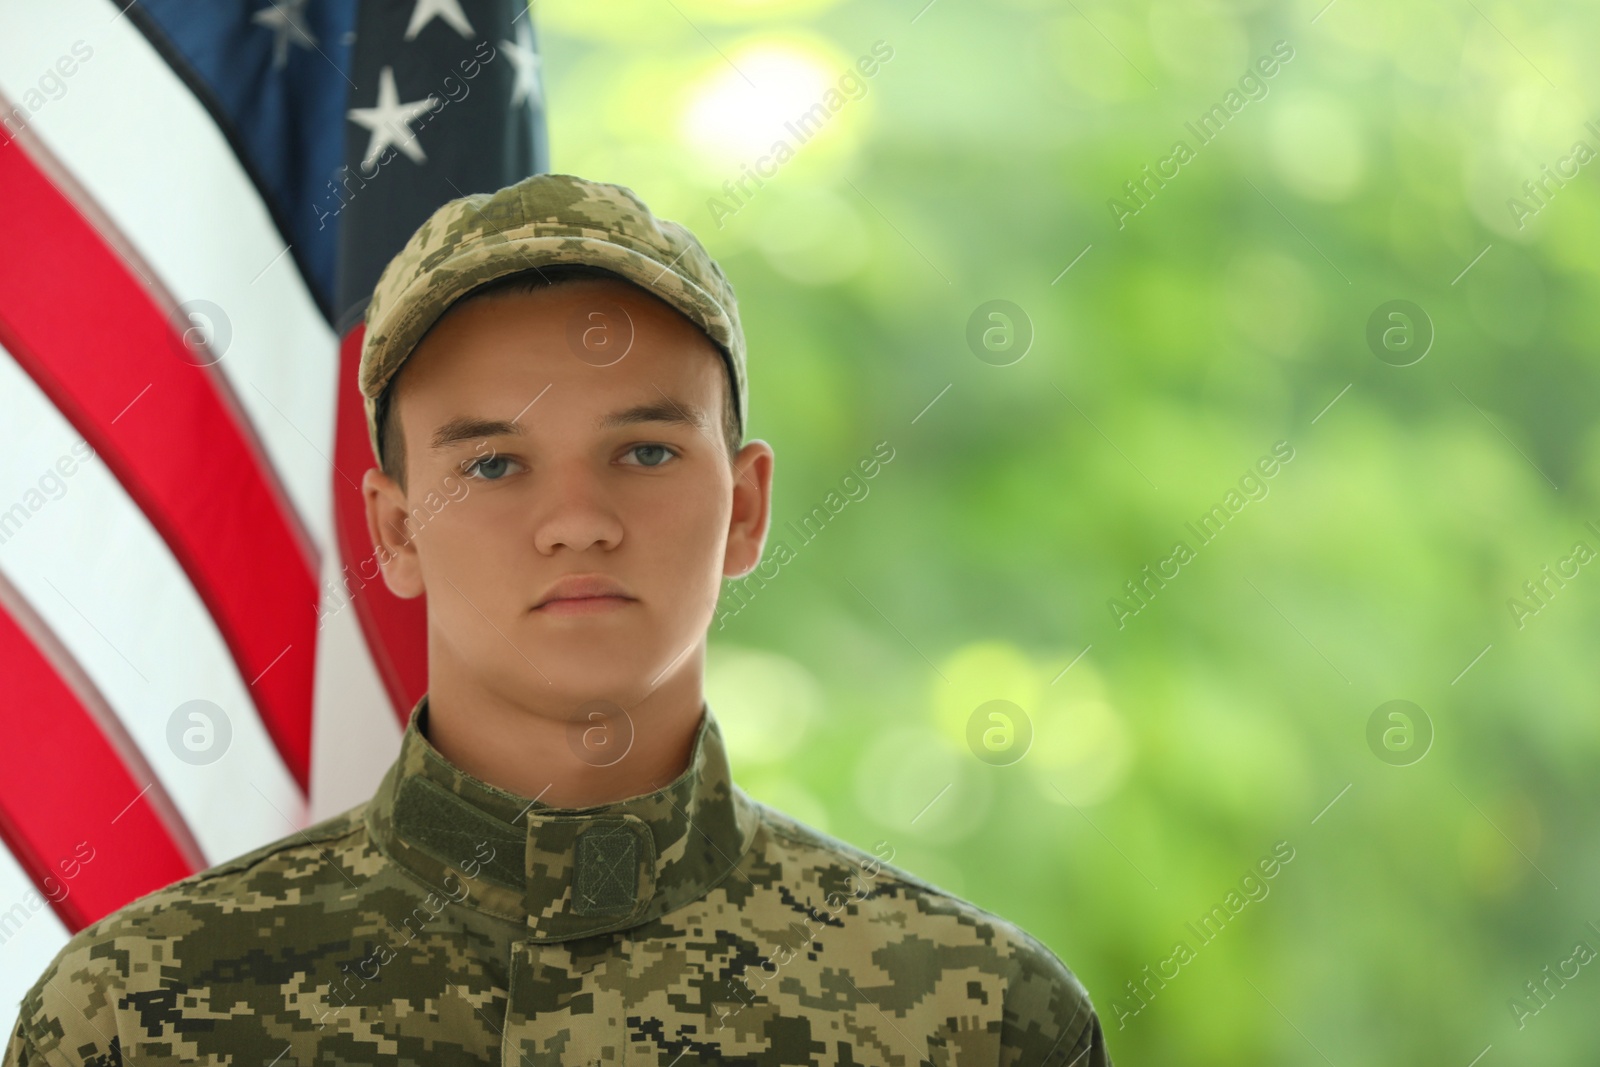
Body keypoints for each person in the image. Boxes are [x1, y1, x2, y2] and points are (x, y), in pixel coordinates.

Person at [4, 172, 1110, 1066]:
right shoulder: (138, 1014)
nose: (578, 520)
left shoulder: (973, 1019)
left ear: (747, 503)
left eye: (644, 451)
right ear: (393, 530)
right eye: (492, 463)